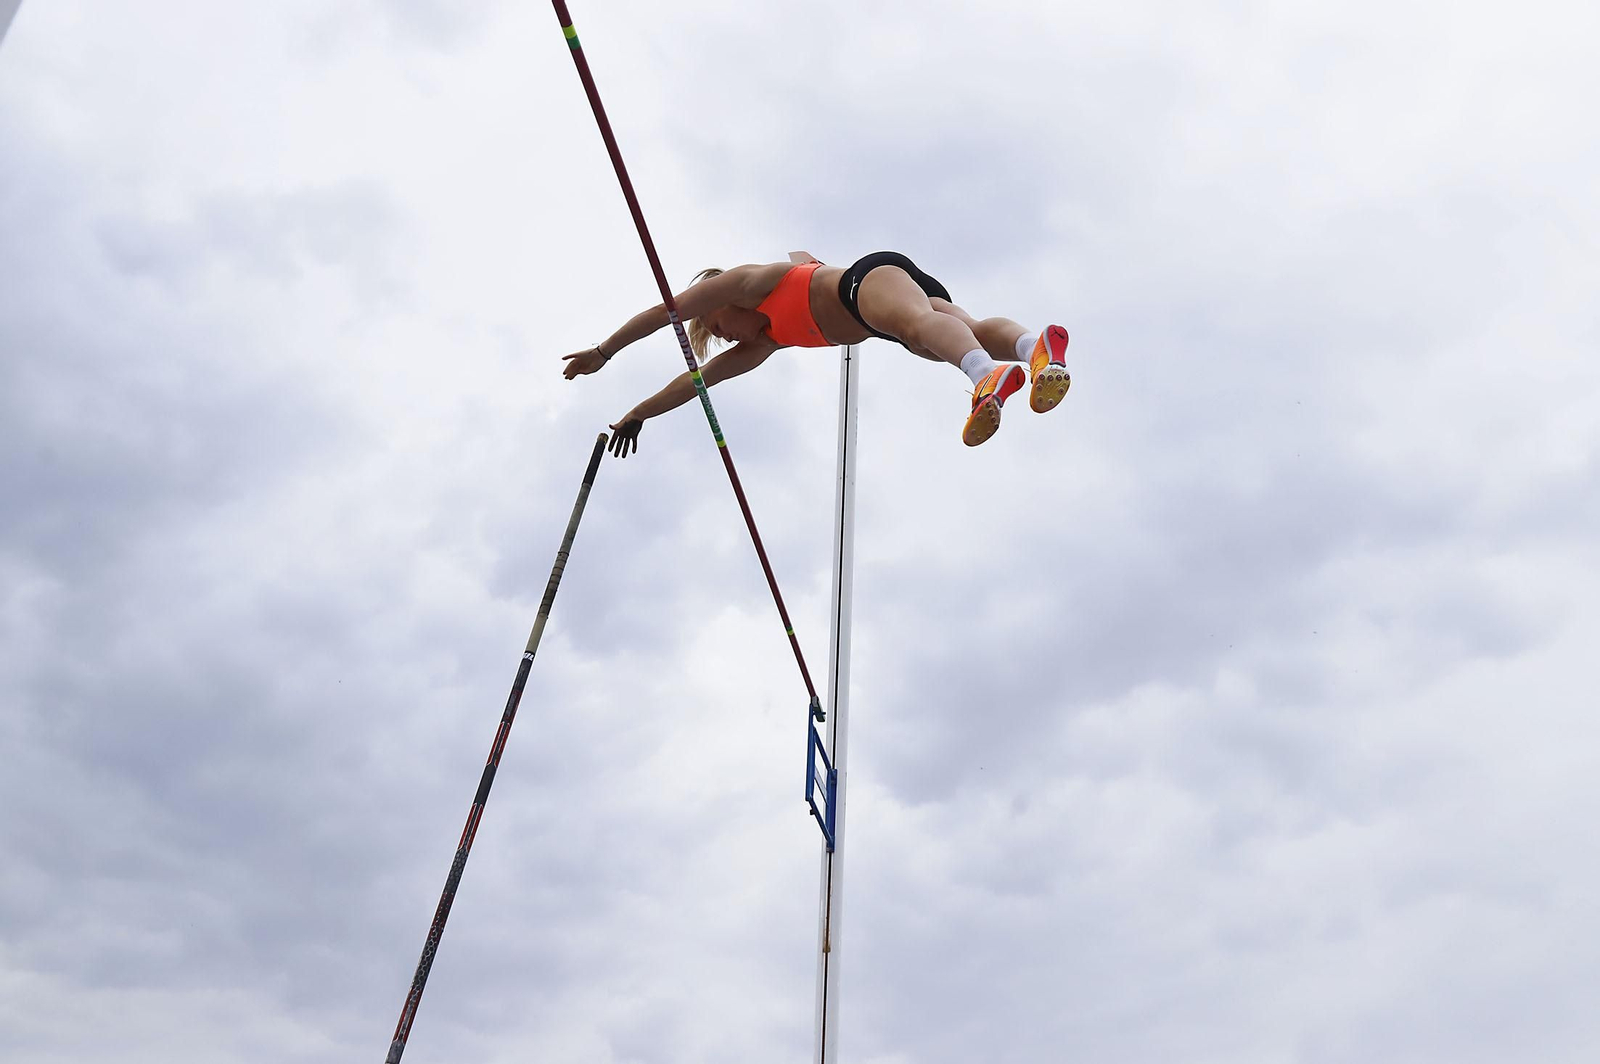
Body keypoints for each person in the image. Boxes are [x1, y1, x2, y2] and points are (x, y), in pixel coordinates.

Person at [562, 251, 1070, 456]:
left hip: (864, 283)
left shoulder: (748, 282)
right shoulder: (763, 344)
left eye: (718, 326)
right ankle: (1035, 348)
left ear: (722, 300)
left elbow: (666, 312)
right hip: (881, 314)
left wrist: (605, 351)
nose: (726, 336)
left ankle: (986, 375)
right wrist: (636, 413)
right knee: (958, 331)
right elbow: (696, 383)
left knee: (921, 327)